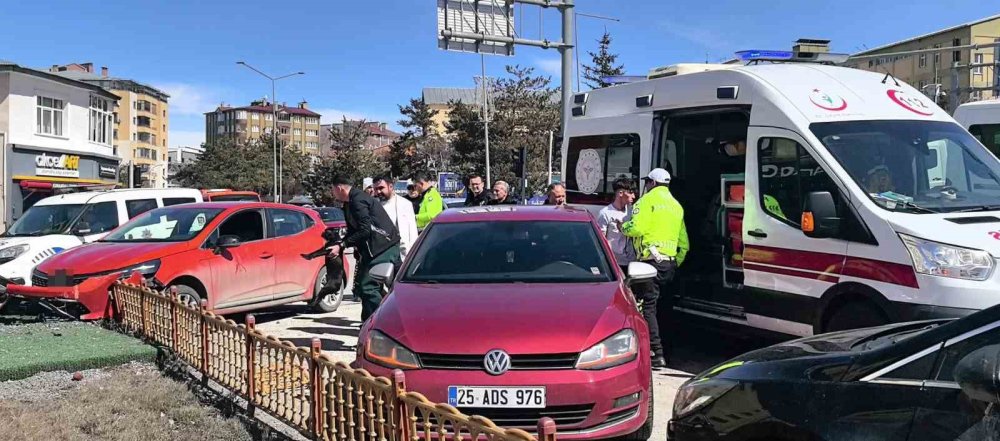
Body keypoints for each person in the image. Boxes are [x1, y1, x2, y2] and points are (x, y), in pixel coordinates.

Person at [621, 168, 688, 369]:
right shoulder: (677, 206)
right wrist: (676, 262)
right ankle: (669, 350)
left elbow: (637, 228)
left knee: (648, 307)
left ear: (651, 183)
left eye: (647, 182)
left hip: (649, 263)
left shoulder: (646, 202)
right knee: (666, 308)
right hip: (669, 264)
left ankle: (656, 353)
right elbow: (684, 242)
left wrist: (623, 227)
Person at [326, 175, 401, 322]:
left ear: (339, 188)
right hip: (372, 250)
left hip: (383, 247)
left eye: (332, 189)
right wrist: (341, 243)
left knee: (368, 287)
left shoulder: (358, 200)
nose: (332, 192)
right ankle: (367, 323)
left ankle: (384, 322)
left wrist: (343, 245)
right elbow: (354, 230)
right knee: (362, 287)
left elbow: (365, 230)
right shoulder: (349, 203)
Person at [373, 176, 418, 259]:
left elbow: (412, 232)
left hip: (402, 254)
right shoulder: (373, 205)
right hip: (383, 254)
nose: (378, 191)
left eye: (381, 188)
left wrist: (413, 255)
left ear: (390, 186)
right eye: (376, 189)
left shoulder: (405, 204)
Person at [597, 178, 637, 266]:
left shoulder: (632, 212)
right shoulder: (605, 213)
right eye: (630, 192)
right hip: (614, 263)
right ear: (620, 193)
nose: (633, 196)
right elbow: (600, 240)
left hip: (631, 262)